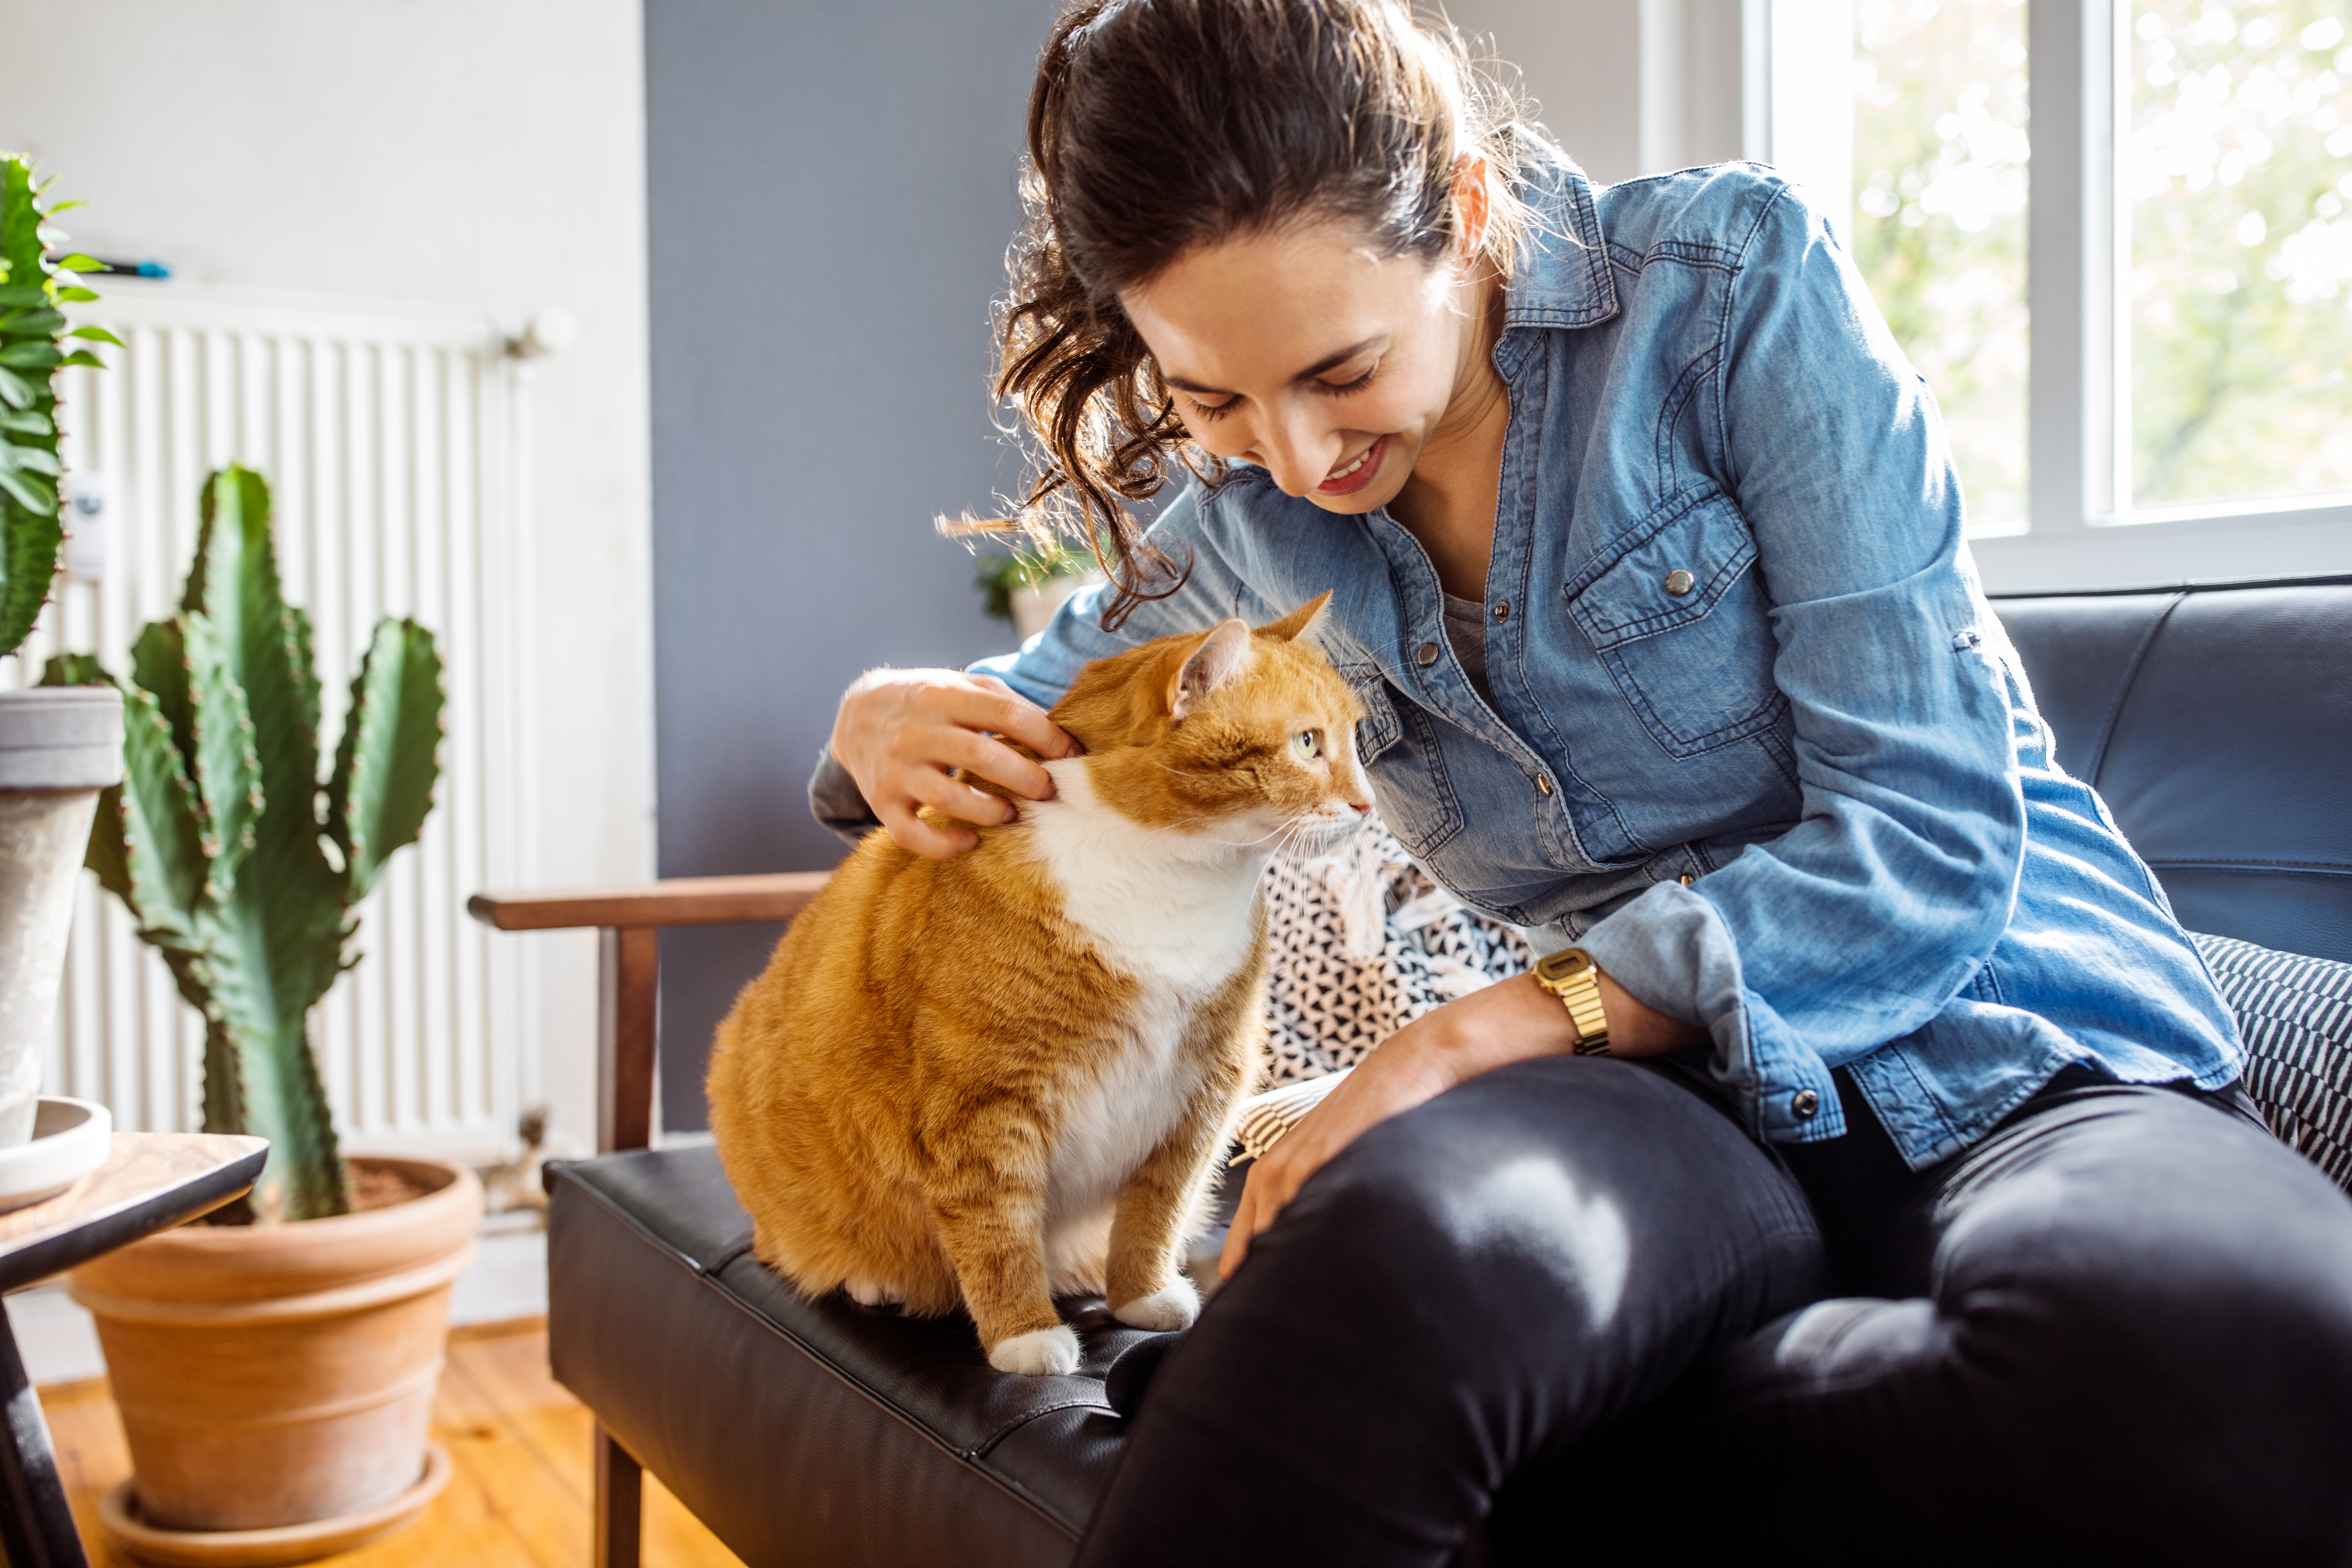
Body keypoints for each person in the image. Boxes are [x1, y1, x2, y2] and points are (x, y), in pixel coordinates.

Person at [812, 1, 2352, 1562]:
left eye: (1340, 369)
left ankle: (1568, 1438)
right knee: (1382, 1292)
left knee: (2231, 1350)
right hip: (1664, 1122)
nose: (1289, 456)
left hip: (2013, 1037)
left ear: (1468, 209)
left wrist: (1475, 1037)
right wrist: (878, 719)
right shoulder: (1237, 519)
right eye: (1212, 399)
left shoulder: (1733, 292)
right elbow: (1010, 706)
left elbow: (1928, 836)